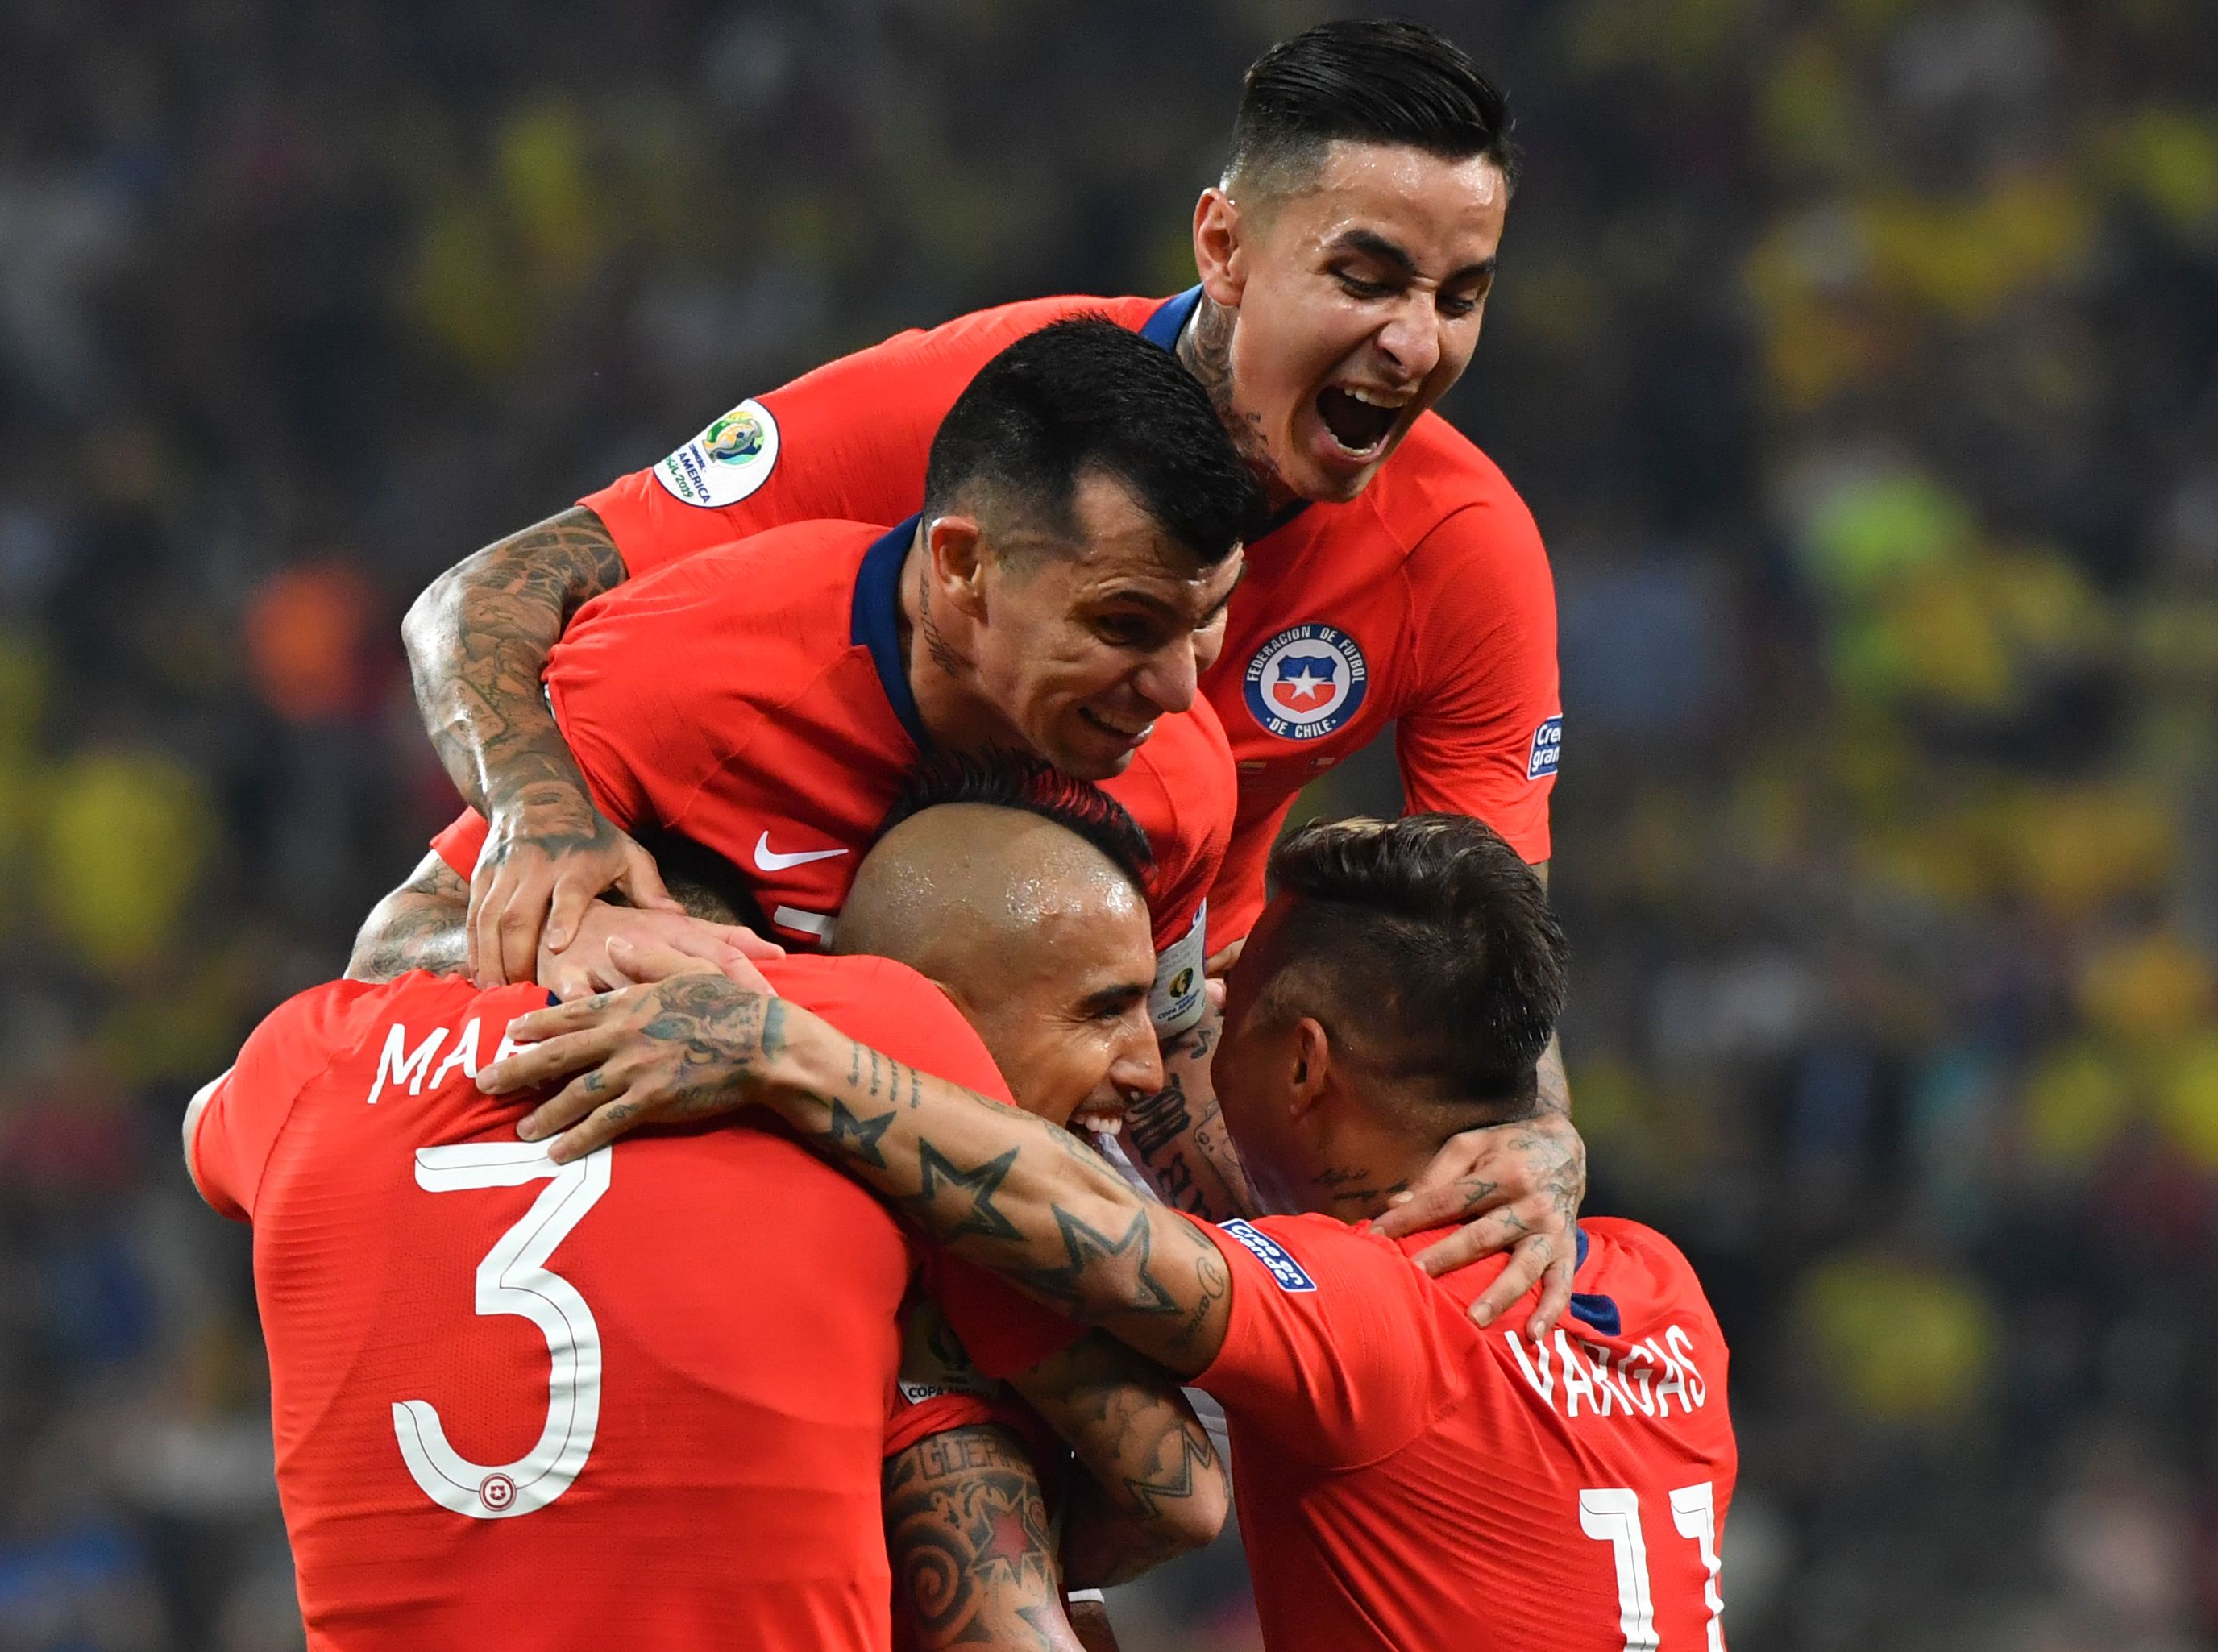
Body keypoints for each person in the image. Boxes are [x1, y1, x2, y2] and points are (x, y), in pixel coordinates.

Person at [397, 15, 1587, 1329]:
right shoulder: (989, 410)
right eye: (1367, 278)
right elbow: (483, 597)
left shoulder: (1465, 555)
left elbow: (1484, 964)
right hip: (783, 943)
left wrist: (1540, 1134)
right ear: (1226, 247)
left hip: (1138, 1037)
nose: (1417, 344)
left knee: (1216, 1430)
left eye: (1459, 295)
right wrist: (544, 813)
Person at [490, 814, 1739, 1651]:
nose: (1159, 1064)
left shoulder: (1374, 1318)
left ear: (1302, 1062)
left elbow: (1071, 1212)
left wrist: (784, 1048)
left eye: (1212, 1013)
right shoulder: (1661, 1286)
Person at [187, 899, 1220, 1649]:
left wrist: (513, 918)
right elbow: (1178, 1493)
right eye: (1104, 1010)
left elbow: (207, 1122)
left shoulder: (308, 1053)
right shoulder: (864, 1027)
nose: (1140, 1061)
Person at [359, 317, 1259, 1075]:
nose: (1181, 686)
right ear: (963, 567)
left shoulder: (1181, 782)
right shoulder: (690, 665)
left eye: (1207, 619)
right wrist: (590, 951)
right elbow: (389, 959)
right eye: (1124, 626)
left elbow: (1164, 1076)